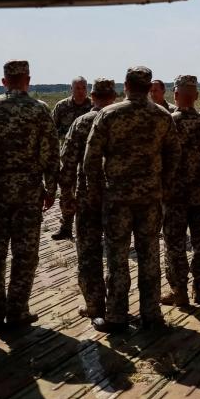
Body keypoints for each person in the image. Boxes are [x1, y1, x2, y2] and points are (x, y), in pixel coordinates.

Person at [82, 66, 177, 333]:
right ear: (149, 88)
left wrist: (97, 189)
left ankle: (116, 316)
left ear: (125, 85)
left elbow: (91, 159)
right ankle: (152, 315)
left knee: (117, 257)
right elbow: (174, 153)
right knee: (149, 255)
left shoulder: (109, 114)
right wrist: (164, 185)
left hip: (117, 199)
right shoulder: (162, 116)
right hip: (150, 198)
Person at [0, 59, 58, 331]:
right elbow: (50, 154)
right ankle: (18, 309)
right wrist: (51, 188)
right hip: (27, 192)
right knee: (25, 254)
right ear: (28, 80)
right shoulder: (39, 109)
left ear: (4, 81)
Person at [58, 77, 118, 319]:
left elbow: (68, 163)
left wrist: (66, 196)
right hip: (118, 198)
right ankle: (117, 305)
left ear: (92, 97)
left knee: (89, 253)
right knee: (117, 254)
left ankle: (94, 304)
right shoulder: (121, 119)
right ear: (114, 96)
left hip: (87, 198)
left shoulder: (81, 122)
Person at [161, 75, 200, 308]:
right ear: (195, 96)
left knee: (175, 244)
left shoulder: (167, 124)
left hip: (173, 195)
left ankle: (179, 291)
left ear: (175, 95)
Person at [50, 76, 92, 241]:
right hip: (68, 158)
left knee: (88, 194)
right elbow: (52, 131)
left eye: (83, 88)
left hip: (89, 158)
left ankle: (90, 228)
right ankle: (66, 227)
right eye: (77, 88)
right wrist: (67, 137)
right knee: (67, 192)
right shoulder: (62, 106)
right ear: (71, 89)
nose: (81, 91)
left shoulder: (92, 106)